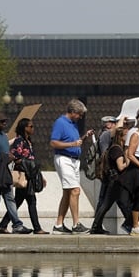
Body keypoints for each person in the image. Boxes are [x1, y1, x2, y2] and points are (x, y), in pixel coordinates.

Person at [0, 113, 33, 234]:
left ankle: (16, 224)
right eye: (2, 121)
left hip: (5, 171)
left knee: (10, 198)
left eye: (5, 121)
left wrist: (9, 157)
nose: (4, 123)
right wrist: (6, 156)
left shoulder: (4, 137)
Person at [50, 99, 92, 234]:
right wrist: (72, 145)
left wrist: (84, 137)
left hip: (74, 160)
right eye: (79, 114)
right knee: (75, 190)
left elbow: (74, 142)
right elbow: (54, 143)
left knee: (68, 193)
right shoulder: (60, 122)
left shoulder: (73, 124)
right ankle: (76, 224)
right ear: (73, 112)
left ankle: (58, 225)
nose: (80, 117)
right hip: (64, 159)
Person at [0, 118, 48, 234]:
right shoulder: (19, 141)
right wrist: (26, 163)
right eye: (30, 127)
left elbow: (32, 159)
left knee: (18, 201)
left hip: (31, 174)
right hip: (24, 175)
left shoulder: (28, 141)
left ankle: (3, 224)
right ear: (24, 128)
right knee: (31, 200)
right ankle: (37, 228)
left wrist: (40, 175)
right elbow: (15, 157)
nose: (33, 129)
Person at [90, 127, 131, 234]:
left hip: (116, 181)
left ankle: (130, 224)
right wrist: (129, 160)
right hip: (116, 181)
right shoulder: (117, 149)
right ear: (121, 137)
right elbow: (121, 166)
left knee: (118, 204)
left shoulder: (115, 148)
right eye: (126, 135)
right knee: (108, 205)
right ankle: (130, 225)